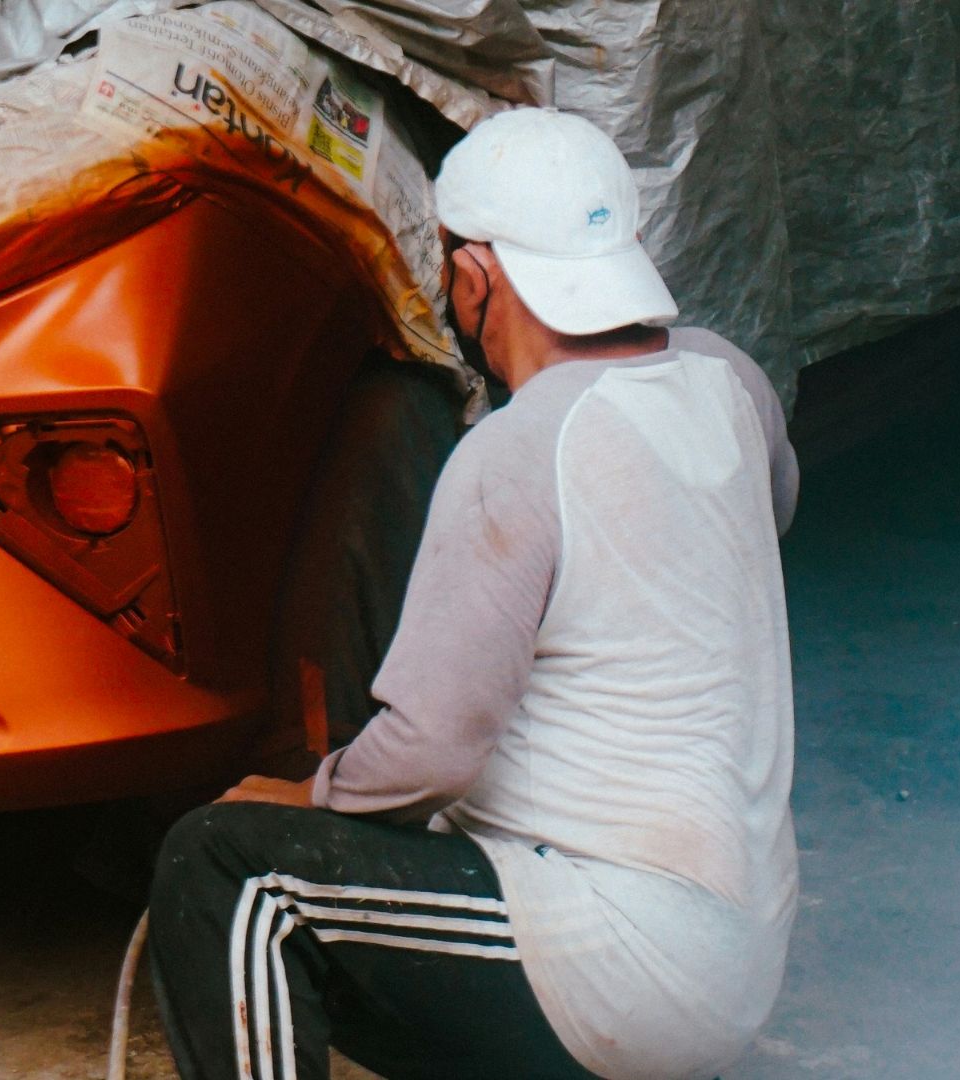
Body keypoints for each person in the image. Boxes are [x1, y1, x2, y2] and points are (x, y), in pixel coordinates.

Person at [147, 106, 800, 1080]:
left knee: (228, 869)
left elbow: (432, 753)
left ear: (473, 277)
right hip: (742, 950)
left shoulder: (517, 449)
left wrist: (307, 791)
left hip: (626, 961)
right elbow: (771, 513)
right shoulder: (731, 380)